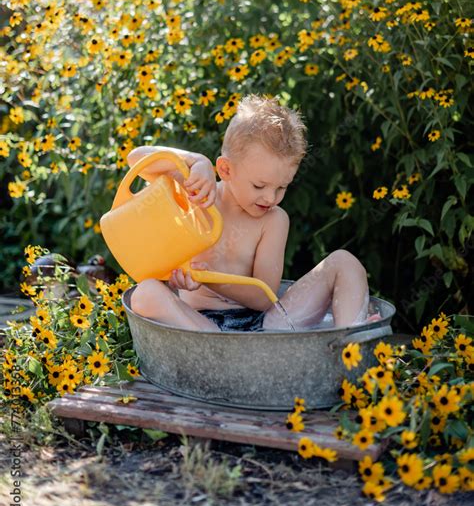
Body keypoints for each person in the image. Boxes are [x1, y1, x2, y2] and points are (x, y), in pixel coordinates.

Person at [128, 94, 375, 332]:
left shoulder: (274, 220)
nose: (270, 197)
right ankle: (219, 349)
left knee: (344, 261)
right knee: (146, 292)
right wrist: (195, 161)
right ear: (225, 169)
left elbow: (263, 298)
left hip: (266, 326)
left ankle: (349, 337)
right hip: (202, 326)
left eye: (282, 187)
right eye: (259, 186)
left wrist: (208, 279)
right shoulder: (197, 192)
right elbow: (136, 159)